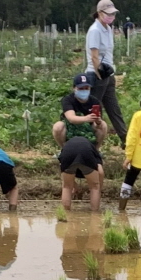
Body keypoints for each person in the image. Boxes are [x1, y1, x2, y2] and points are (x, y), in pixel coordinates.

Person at [57, 73, 107, 213]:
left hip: (69, 151)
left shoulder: (95, 101)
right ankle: (95, 215)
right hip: (85, 149)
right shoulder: (68, 100)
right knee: (95, 187)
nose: (84, 91)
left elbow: (99, 125)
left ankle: (65, 215)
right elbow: (71, 118)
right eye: (81, 88)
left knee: (66, 187)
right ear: (74, 88)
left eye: (87, 88)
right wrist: (86, 118)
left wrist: (96, 121)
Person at [85, 0, 127, 141]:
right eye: (108, 14)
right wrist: (100, 75)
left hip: (108, 73)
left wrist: (109, 75)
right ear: (99, 13)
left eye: (113, 14)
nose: (111, 16)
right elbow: (94, 57)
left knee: (113, 108)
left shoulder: (108, 29)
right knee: (95, 110)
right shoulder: (95, 30)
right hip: (97, 75)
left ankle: (125, 138)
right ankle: (92, 140)